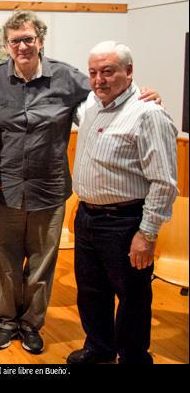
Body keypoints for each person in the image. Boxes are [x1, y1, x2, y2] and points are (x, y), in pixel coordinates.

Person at [0, 11, 161, 355]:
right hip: (6, 189)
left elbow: (109, 92)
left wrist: (145, 94)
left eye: (28, 39)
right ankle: (6, 322)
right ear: (7, 45)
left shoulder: (67, 77)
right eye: (15, 40)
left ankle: (31, 325)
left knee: (41, 265)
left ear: (40, 40)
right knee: (6, 262)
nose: (22, 46)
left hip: (49, 191)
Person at [68, 41, 177, 364]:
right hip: (88, 217)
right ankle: (99, 348)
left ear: (129, 73)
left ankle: (132, 356)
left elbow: (164, 181)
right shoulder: (91, 104)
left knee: (132, 295)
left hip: (126, 222)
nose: (99, 80)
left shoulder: (148, 114)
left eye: (108, 72)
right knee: (91, 291)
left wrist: (147, 233)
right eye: (94, 73)